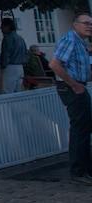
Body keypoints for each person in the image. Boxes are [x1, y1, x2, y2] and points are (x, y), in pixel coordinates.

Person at [49, 13, 92, 186]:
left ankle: (85, 169)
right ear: (75, 24)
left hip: (79, 86)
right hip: (71, 88)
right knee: (80, 128)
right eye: (86, 23)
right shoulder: (70, 39)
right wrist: (74, 85)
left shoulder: (81, 43)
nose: (89, 26)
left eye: (91, 23)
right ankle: (78, 172)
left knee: (86, 125)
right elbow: (54, 64)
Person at [0, 18, 28, 93]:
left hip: (10, 66)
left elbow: (6, 53)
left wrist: (2, 66)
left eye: (2, 26)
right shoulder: (20, 38)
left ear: (7, 26)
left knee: (7, 91)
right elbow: (26, 53)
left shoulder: (8, 38)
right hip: (20, 67)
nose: (1, 28)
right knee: (18, 91)